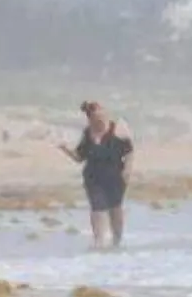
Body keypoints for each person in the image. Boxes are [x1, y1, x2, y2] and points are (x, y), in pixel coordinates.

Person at [57, 101, 134, 250]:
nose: (100, 121)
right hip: (93, 177)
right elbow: (79, 157)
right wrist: (65, 149)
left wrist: (128, 170)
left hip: (115, 176)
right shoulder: (87, 133)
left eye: (102, 118)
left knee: (115, 209)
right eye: (96, 119)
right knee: (97, 208)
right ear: (90, 119)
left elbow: (129, 151)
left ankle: (117, 242)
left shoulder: (117, 129)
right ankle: (98, 241)